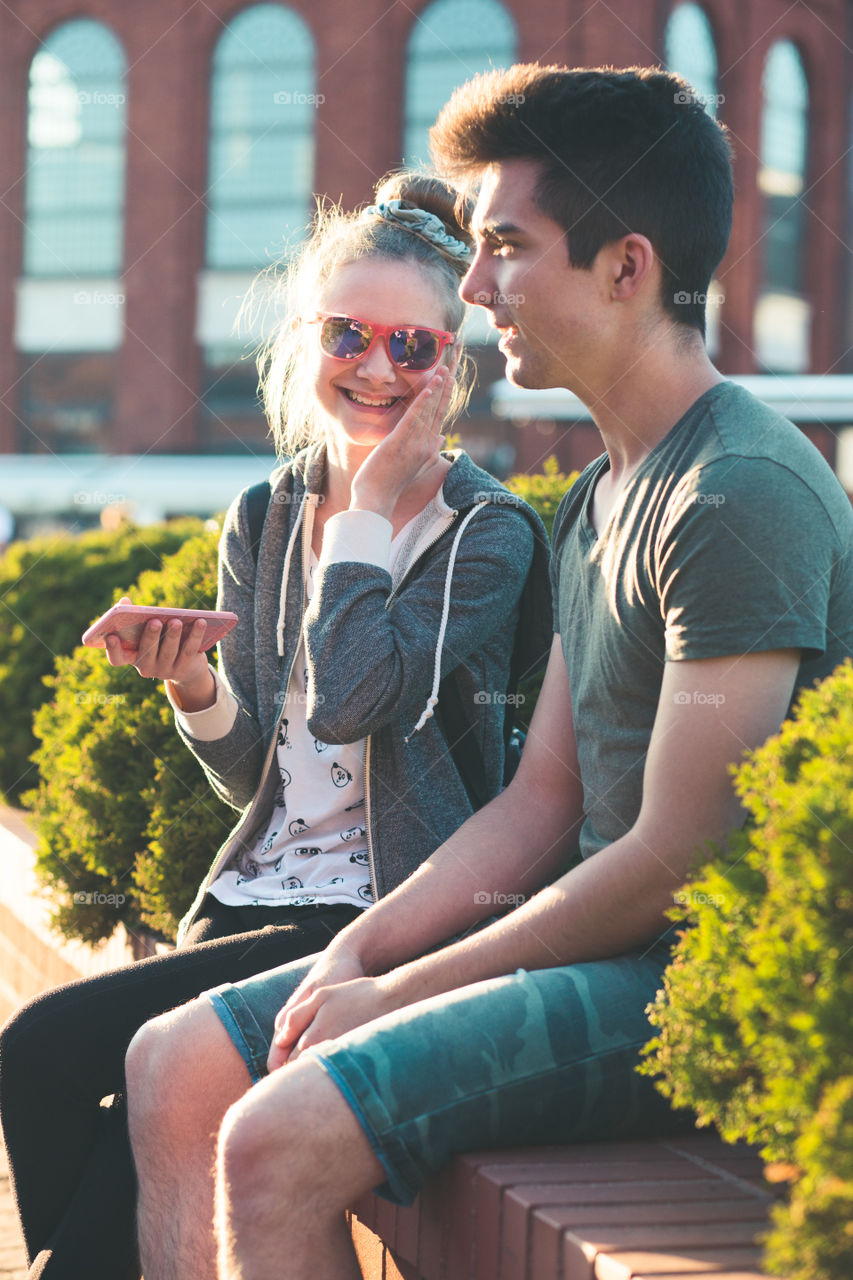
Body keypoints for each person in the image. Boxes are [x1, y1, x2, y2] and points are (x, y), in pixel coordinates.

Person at [125, 64, 853, 1280]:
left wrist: (402, 987)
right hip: (597, 943)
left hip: (682, 985)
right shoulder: (605, 491)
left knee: (271, 1139)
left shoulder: (733, 495)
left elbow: (678, 858)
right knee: (171, 1063)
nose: (473, 289)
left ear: (624, 267)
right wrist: (360, 953)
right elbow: (542, 803)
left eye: (505, 247)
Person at [0, 170, 553, 1280]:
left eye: (414, 346)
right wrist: (195, 688)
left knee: (54, 1055)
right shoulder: (261, 514)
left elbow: (354, 696)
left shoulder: (485, 532)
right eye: (349, 333)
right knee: (53, 1077)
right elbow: (263, 771)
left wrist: (363, 505)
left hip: (387, 917)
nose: (376, 366)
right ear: (308, 338)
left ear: (456, 361)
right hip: (254, 900)